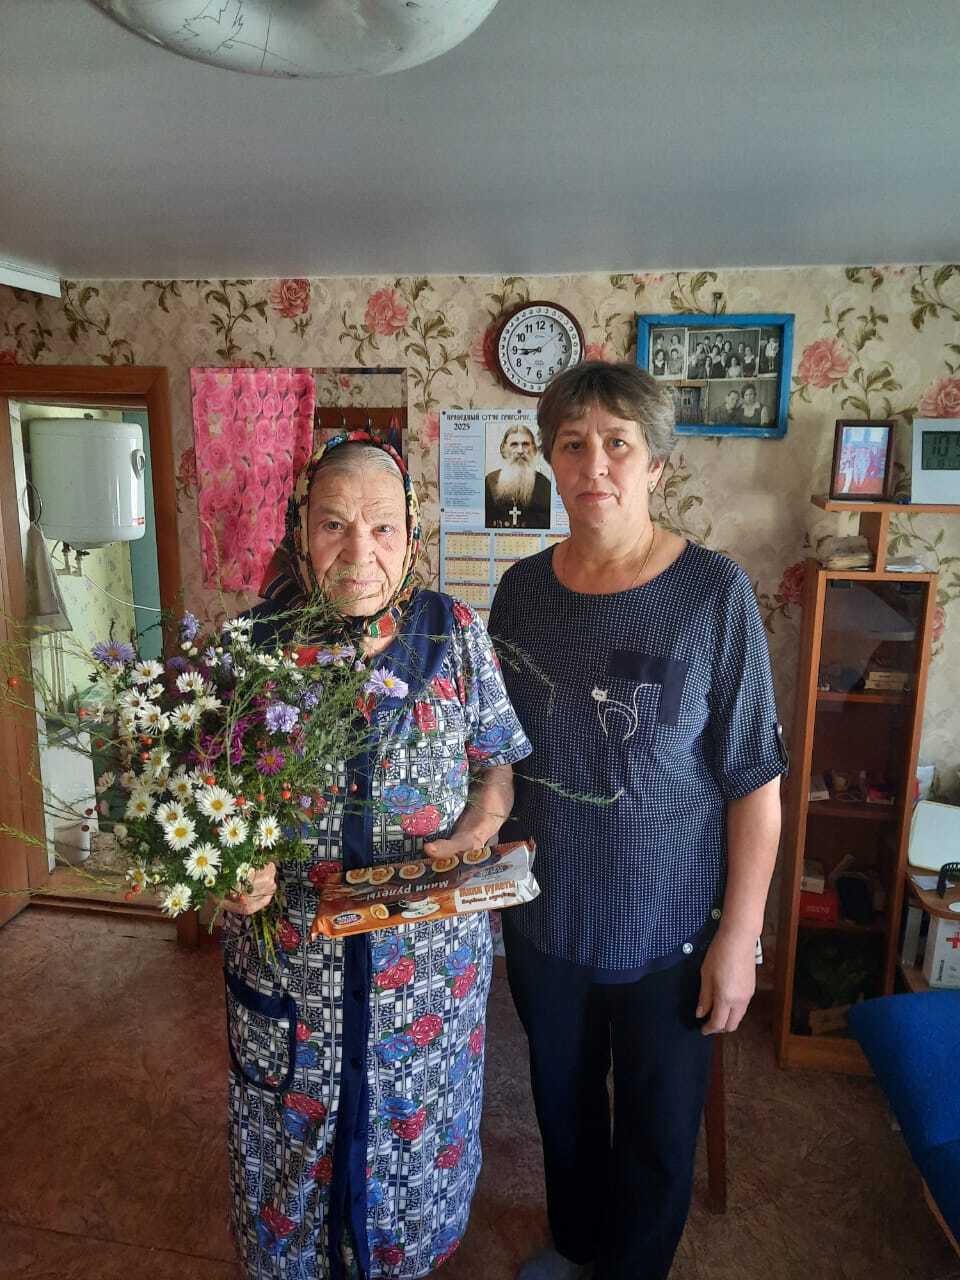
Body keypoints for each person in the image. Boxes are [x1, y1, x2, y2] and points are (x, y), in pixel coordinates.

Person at [488, 362, 785, 1280]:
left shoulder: (713, 594)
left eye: (618, 443)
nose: (595, 465)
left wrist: (740, 936)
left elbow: (754, 781)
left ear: (656, 463)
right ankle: (577, 1250)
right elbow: (497, 753)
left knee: (658, 1133)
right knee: (564, 1110)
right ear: (550, 461)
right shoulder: (520, 594)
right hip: (546, 922)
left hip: (672, 930)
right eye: (573, 444)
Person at [222, 431, 532, 1280]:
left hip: (424, 977)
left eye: (382, 526)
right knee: (291, 1155)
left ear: (412, 535)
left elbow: (496, 762)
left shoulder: (454, 634)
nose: (359, 551)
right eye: (333, 524)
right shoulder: (249, 647)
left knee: (414, 1147)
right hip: (295, 976)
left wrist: (482, 823)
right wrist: (229, 874)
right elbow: (207, 804)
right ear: (300, 531)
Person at [485, 423, 552, 529]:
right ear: (504, 449)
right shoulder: (490, 481)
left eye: (525, 444)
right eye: (514, 444)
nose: (520, 451)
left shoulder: (544, 485)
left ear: (534, 449)